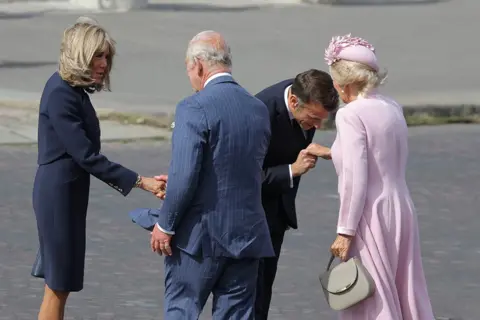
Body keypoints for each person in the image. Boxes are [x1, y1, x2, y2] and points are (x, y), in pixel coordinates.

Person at [32, 22, 165, 320]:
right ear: (80, 56)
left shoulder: (71, 91)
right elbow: (87, 156)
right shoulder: (61, 94)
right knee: (58, 284)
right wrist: (140, 182)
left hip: (67, 195)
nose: (104, 65)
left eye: (106, 57)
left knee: (58, 284)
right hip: (58, 198)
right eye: (97, 57)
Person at [148, 30, 274, 319]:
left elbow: (185, 174)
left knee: (183, 309)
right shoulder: (257, 109)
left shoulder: (193, 107)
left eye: (189, 70)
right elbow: (242, 165)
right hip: (247, 236)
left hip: (200, 238)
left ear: (199, 66)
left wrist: (165, 226)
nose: (190, 78)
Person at [307, 34, 435, 319]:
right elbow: (380, 156)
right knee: (405, 287)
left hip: (370, 212)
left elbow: (356, 177)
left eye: (338, 83)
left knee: (372, 294)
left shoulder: (350, 114)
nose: (337, 89)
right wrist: (332, 152)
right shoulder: (391, 106)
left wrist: (345, 230)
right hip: (400, 206)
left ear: (348, 84)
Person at [253, 69, 339, 319]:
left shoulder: (306, 93)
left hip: (276, 214)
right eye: (313, 118)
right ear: (293, 102)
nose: (317, 126)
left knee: (263, 290)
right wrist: (292, 170)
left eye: (323, 120)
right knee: (250, 294)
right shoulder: (261, 113)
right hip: (251, 216)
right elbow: (244, 177)